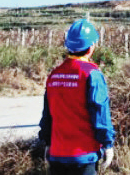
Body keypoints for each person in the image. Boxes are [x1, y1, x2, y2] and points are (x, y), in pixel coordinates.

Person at [39, 18, 116, 175]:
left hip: (57, 155)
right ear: (91, 47)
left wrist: (47, 142)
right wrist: (107, 143)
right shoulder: (92, 74)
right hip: (84, 156)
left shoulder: (54, 75)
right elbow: (100, 112)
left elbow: (47, 114)